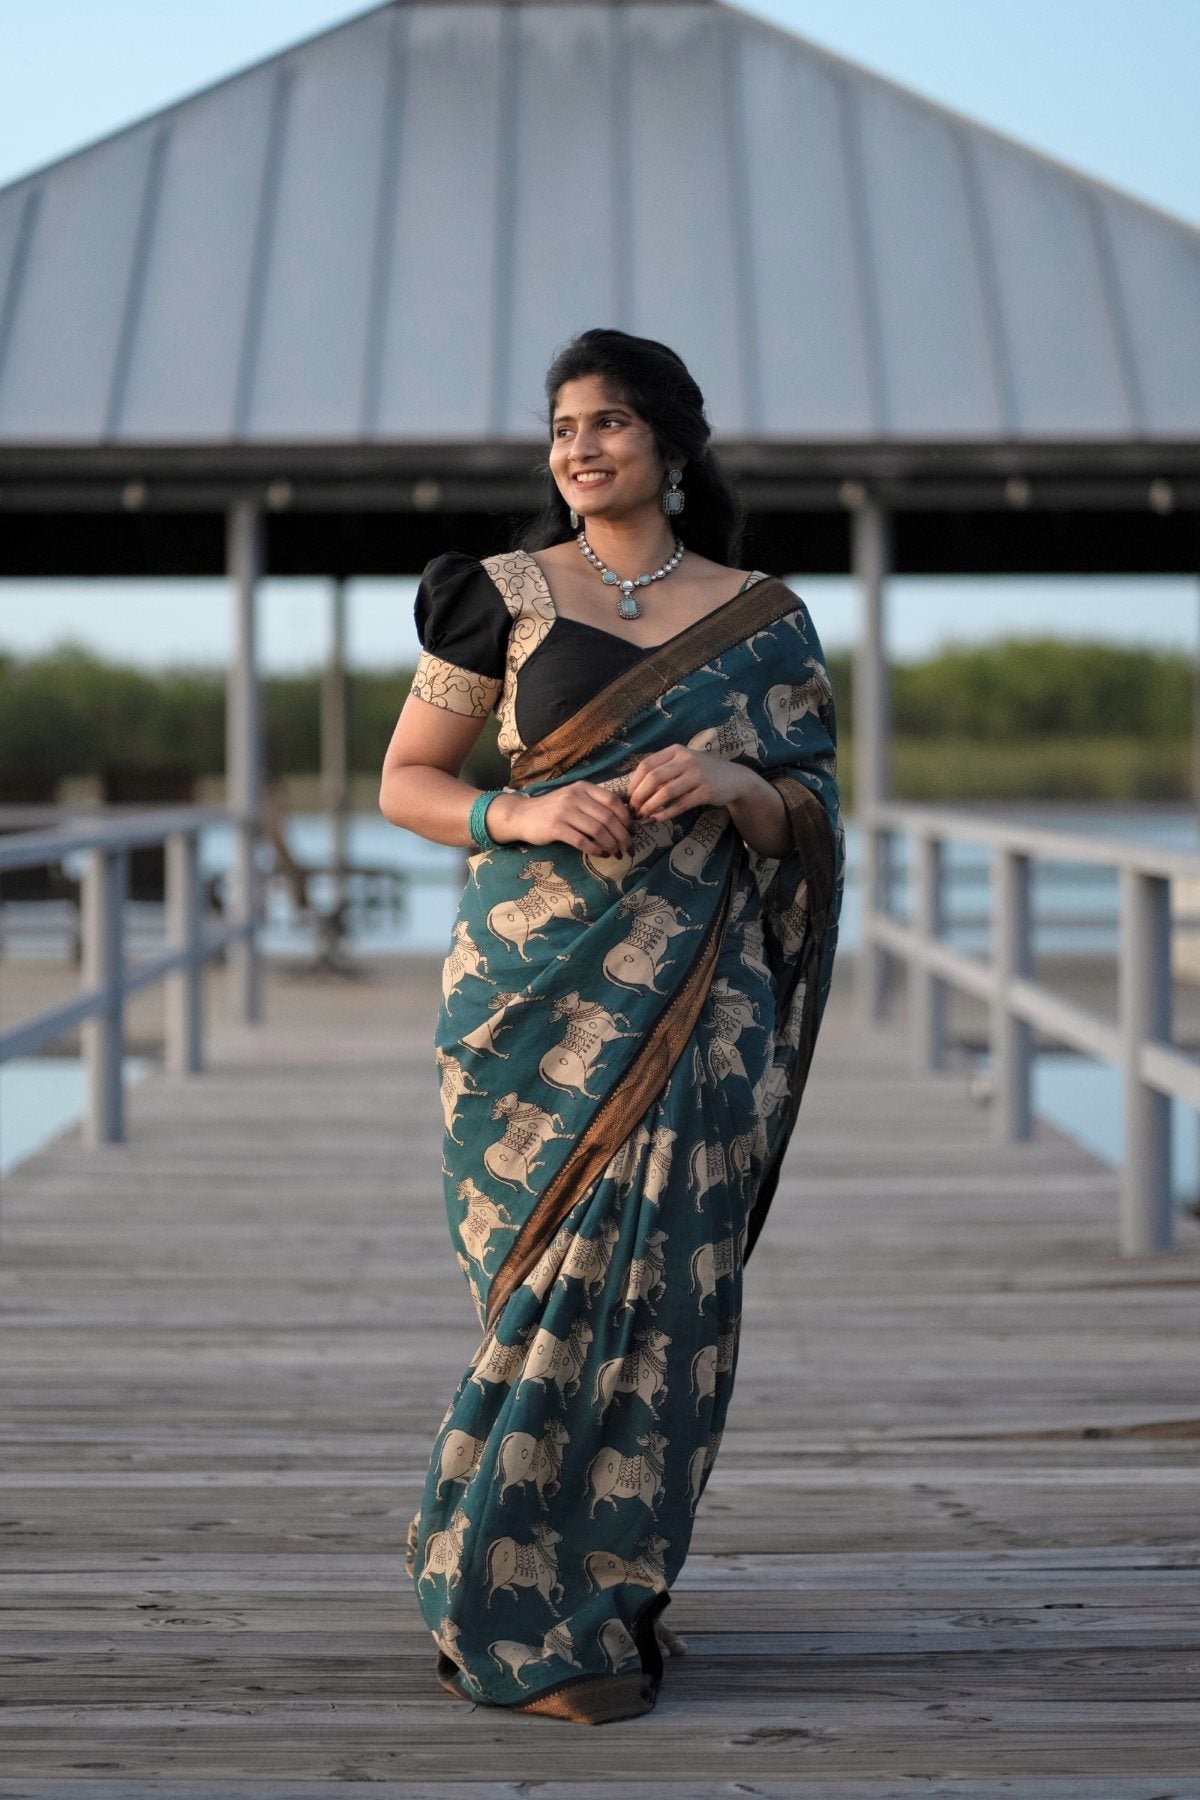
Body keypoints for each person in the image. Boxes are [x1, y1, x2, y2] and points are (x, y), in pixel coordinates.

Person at [379, 328, 844, 1724]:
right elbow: (411, 779)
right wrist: (513, 808)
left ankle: (609, 1591)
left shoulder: (761, 619)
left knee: (671, 1299)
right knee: (540, 1300)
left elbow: (807, 813)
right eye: (563, 427)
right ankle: (504, 1591)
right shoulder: (503, 600)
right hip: (533, 1001)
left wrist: (726, 782)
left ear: (672, 446)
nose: (579, 449)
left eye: (609, 425)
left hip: (700, 1003)